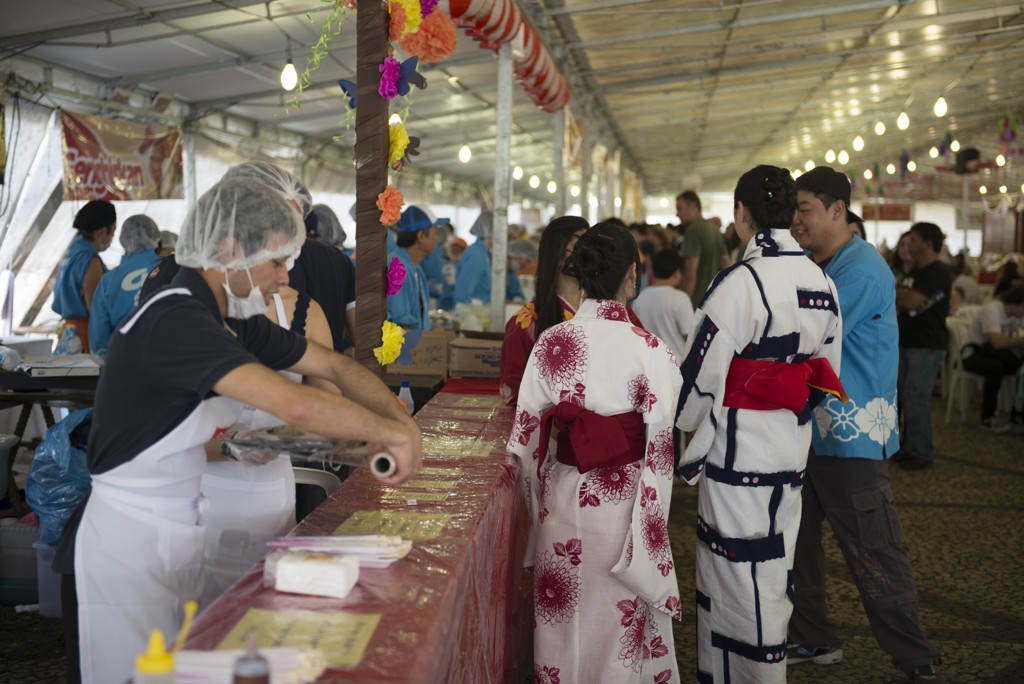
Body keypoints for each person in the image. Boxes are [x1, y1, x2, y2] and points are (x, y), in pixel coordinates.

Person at [56, 178, 422, 684]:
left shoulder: (226, 319)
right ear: (228, 251)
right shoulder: (177, 319)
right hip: (127, 546)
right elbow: (293, 401)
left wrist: (402, 422)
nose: (285, 274)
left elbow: (333, 366)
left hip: (175, 529)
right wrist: (393, 435)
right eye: (276, 261)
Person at [675, 165, 844, 683]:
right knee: (772, 572)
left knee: (733, 576)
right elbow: (825, 378)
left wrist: (684, 424)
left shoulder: (738, 284)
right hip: (789, 452)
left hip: (737, 456)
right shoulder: (822, 282)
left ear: (741, 214)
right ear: (790, 211)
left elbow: (695, 385)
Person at [506, 221, 682, 683]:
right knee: (619, 632)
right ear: (631, 276)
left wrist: (535, 506)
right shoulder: (652, 351)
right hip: (623, 513)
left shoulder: (551, 342)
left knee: (560, 629)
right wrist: (652, 533)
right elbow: (661, 457)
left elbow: (524, 442)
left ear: (580, 275)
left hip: (562, 504)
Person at [788, 166, 943, 682]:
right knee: (799, 545)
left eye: (804, 208)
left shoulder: (861, 269)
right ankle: (814, 639)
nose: (796, 219)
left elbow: (809, 334)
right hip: (811, 432)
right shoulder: (815, 261)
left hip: (853, 438)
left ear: (837, 210)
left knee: (873, 552)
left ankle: (914, 656)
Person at [500, 217, 589, 405]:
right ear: (557, 254)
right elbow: (513, 393)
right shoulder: (524, 323)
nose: (589, 253)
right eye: (579, 245)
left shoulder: (610, 310)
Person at [894, 222, 951, 470]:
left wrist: (897, 293)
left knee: (916, 397)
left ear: (927, 243)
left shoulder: (936, 272)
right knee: (906, 397)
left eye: (914, 240)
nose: (909, 245)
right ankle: (910, 446)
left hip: (926, 345)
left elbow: (910, 302)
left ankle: (922, 452)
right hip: (910, 341)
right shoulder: (917, 271)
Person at [87, 215, 161, 357]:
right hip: (167, 361)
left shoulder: (108, 281)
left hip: (124, 360)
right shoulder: (171, 269)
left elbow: (98, 336)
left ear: (123, 240)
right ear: (155, 236)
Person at [52, 201, 117, 353]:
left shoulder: (71, 251)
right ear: (101, 232)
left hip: (68, 334)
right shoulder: (90, 261)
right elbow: (95, 309)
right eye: (112, 231)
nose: (112, 237)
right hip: (84, 337)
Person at [961, 282, 1024, 430]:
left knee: (1018, 366)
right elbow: (997, 343)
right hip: (972, 354)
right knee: (997, 368)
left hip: (994, 354)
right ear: (1018, 303)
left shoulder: (1018, 316)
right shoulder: (992, 310)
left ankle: (1016, 413)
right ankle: (987, 417)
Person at [630, 249, 693, 362]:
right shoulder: (680, 298)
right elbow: (689, 336)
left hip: (648, 362)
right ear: (677, 273)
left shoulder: (640, 297)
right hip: (676, 364)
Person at [453, 210, 526, 305]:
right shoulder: (476, 255)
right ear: (490, 232)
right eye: (501, 231)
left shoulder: (485, 254)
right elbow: (462, 297)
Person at [387, 205, 441, 330]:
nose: (437, 239)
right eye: (435, 233)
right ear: (421, 236)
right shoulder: (397, 269)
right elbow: (400, 324)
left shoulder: (415, 268)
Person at [676, 190, 731, 302]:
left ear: (692, 206)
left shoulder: (693, 230)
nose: (677, 214)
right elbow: (726, 264)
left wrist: (683, 303)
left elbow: (691, 274)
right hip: (711, 299)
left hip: (695, 300)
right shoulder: (714, 229)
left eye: (679, 208)